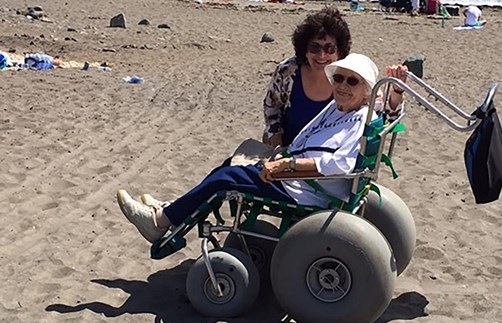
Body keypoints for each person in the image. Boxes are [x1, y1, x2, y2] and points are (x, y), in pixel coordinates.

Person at [117, 54, 409, 243]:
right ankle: (171, 212)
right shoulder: (343, 107)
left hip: (309, 188)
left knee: (225, 180)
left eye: (352, 80)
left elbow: (342, 165)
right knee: (229, 165)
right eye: (339, 78)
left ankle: (159, 222)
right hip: (298, 176)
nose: (342, 85)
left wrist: (285, 167)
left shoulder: (362, 115)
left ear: (368, 90)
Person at [262, 7, 404, 148]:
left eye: (330, 49)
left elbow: (386, 121)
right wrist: (277, 147)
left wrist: (397, 91)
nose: (322, 55)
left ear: (340, 52)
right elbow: (272, 108)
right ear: (304, 50)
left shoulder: (352, 74)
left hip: (328, 158)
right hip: (286, 149)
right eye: (315, 48)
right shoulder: (288, 71)